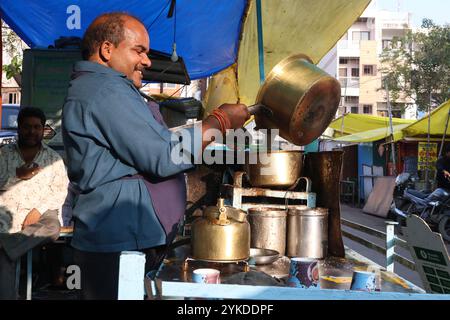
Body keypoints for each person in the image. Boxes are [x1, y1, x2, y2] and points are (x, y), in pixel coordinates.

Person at [62, 12, 249, 299]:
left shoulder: (105, 89)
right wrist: (218, 123)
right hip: (117, 242)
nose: (147, 61)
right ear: (107, 49)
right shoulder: (105, 90)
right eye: (139, 51)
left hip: (125, 238)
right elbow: (163, 156)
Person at [0, 107, 69, 232]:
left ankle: (7, 246)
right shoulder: (3, 154)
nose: (32, 131)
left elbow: (60, 192)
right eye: (27, 127)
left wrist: (37, 211)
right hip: (5, 213)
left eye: (37, 127)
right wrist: (15, 176)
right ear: (19, 128)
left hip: (41, 215)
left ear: (43, 129)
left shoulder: (54, 159)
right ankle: (15, 246)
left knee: (52, 228)